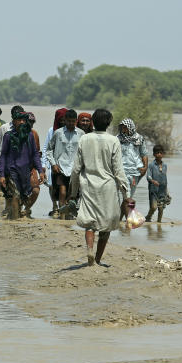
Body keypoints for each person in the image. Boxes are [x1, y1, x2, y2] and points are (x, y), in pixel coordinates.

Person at [68, 109, 132, 266]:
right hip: (108, 188)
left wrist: (73, 192)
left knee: (90, 223)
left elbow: (76, 169)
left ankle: (89, 251)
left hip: (88, 185)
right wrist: (126, 194)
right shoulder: (113, 141)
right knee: (106, 226)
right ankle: (97, 259)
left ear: (92, 122)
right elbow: (118, 170)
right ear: (109, 123)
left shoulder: (84, 139)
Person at [0, 110, 46, 220]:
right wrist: (1, 175)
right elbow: (3, 155)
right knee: (15, 195)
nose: (21, 122)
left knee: (24, 196)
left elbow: (35, 154)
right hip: (11, 171)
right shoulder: (8, 136)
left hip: (25, 172)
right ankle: (15, 222)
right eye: (19, 120)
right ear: (13, 121)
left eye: (24, 120)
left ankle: (15, 215)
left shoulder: (30, 136)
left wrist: (40, 171)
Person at [47, 109, 83, 217]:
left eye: (73, 121)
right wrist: (53, 164)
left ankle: (68, 213)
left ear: (76, 121)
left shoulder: (81, 133)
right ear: (65, 120)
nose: (71, 123)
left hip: (75, 168)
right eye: (69, 121)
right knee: (62, 192)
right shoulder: (58, 133)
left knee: (72, 194)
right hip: (60, 167)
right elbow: (49, 149)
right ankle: (61, 216)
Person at [118, 118, 148, 199]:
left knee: (130, 195)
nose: (123, 130)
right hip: (121, 170)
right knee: (125, 194)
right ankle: (125, 211)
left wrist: (145, 167)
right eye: (122, 127)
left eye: (125, 127)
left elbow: (144, 153)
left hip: (135, 171)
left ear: (130, 127)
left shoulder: (139, 138)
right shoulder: (117, 139)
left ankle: (124, 211)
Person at [145, 144, 169, 223]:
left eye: (161, 153)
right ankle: (148, 217)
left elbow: (165, 178)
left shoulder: (165, 165)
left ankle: (159, 224)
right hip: (153, 190)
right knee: (154, 207)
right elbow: (148, 176)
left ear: (163, 154)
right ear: (154, 154)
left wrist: (167, 191)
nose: (159, 154)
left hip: (162, 190)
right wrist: (153, 181)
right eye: (157, 153)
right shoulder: (151, 165)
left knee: (161, 208)